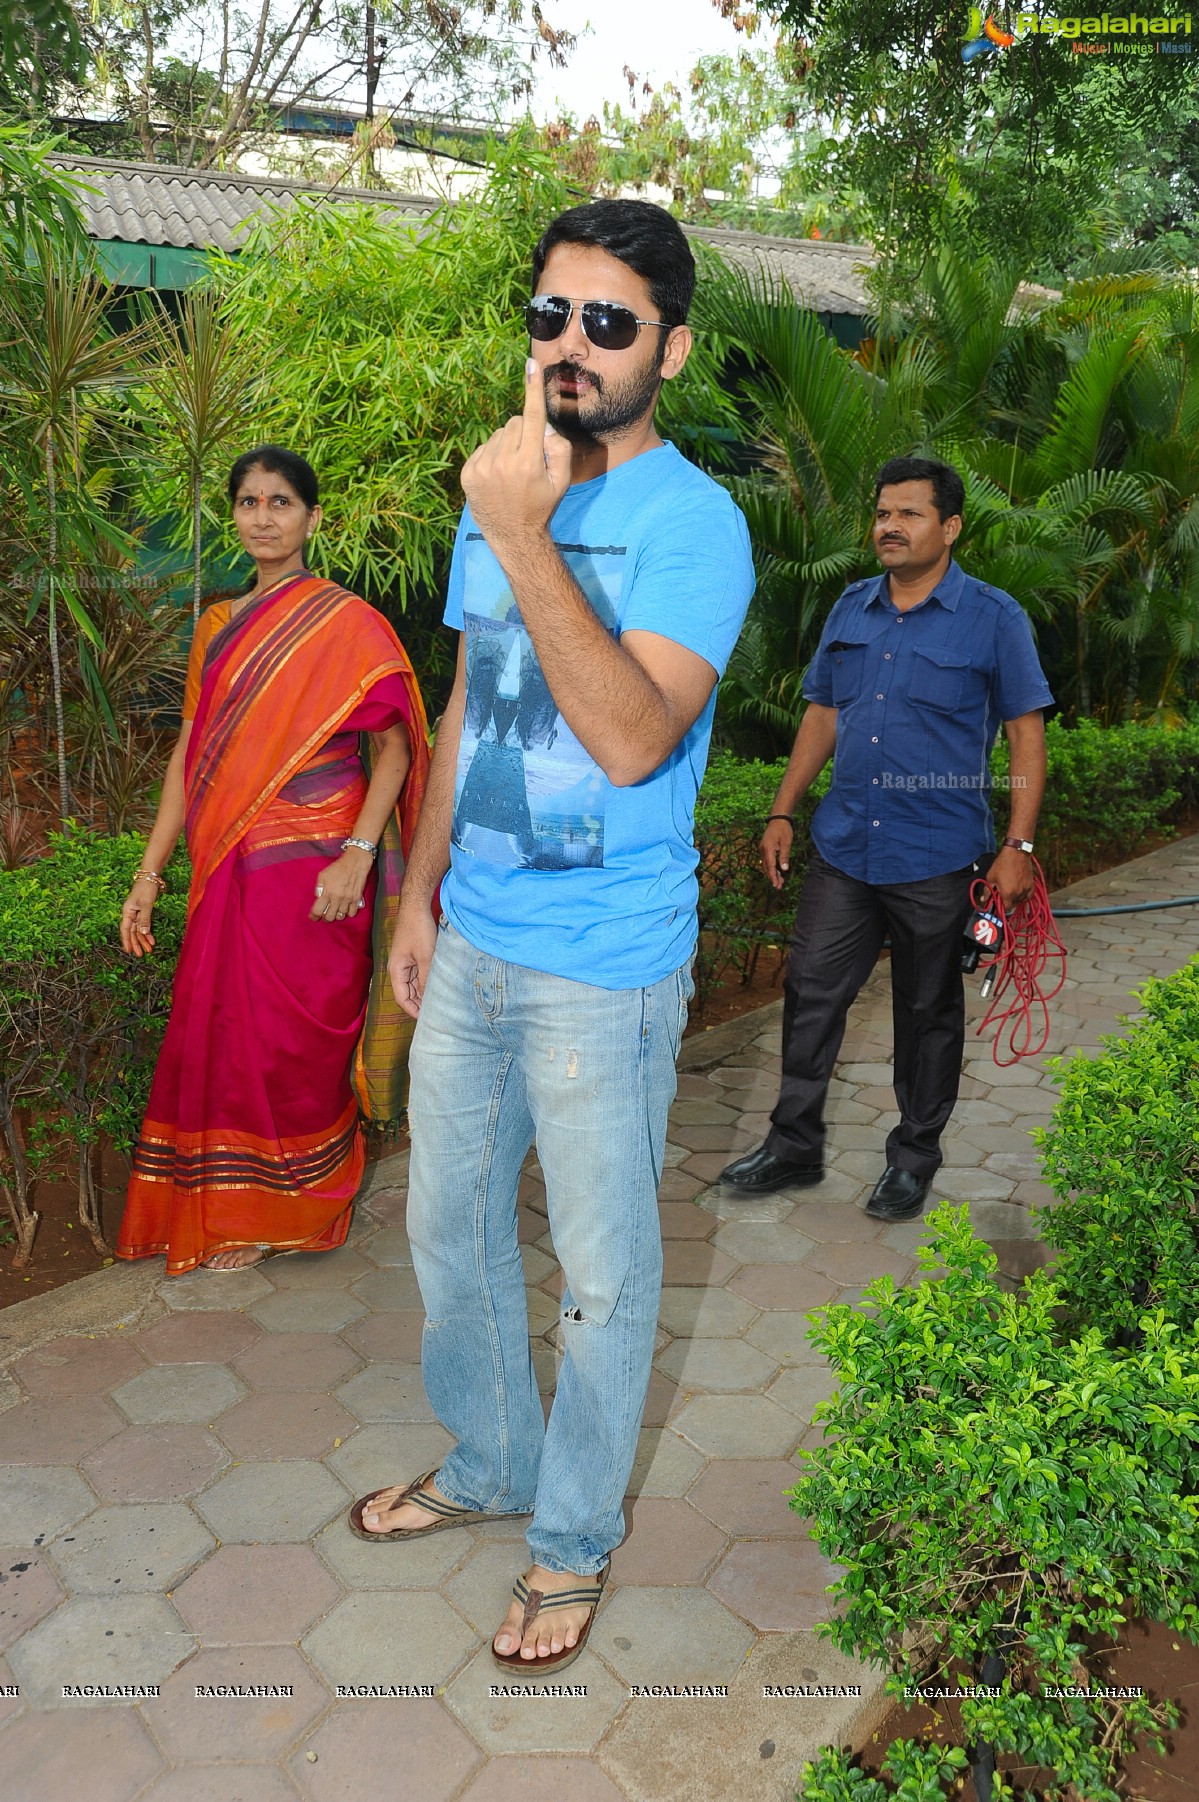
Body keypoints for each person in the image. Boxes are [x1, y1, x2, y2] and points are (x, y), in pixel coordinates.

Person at [346, 200, 755, 1674]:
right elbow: (470, 703)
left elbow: (637, 735)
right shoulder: (497, 485)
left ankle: (571, 1536)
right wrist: (417, 893)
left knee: (598, 1270)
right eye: (549, 317)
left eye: (606, 323)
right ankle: (489, 1459)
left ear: (671, 349)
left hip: (605, 965)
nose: (568, 346)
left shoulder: (692, 524)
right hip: (474, 943)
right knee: (442, 1228)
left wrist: (525, 532)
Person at [116, 446, 430, 1275]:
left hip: (319, 870)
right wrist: (150, 873)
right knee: (225, 1033)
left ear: (312, 519)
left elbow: (394, 752)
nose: (264, 516)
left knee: (298, 1044)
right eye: (250, 502)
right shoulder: (218, 626)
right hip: (230, 868)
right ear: (236, 515)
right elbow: (190, 749)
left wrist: (358, 857)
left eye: (281, 502)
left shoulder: (349, 625)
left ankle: (299, 1205)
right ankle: (228, 1204)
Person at [720, 455, 1053, 1221]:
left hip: (937, 855)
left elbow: (1023, 735)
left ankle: (911, 1159)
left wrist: (1019, 846)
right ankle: (792, 1145)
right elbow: (822, 715)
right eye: (881, 513)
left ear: (950, 526)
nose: (888, 527)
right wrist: (782, 809)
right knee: (809, 992)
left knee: (926, 1009)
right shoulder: (850, 609)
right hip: (844, 846)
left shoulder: (993, 618)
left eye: (907, 513)